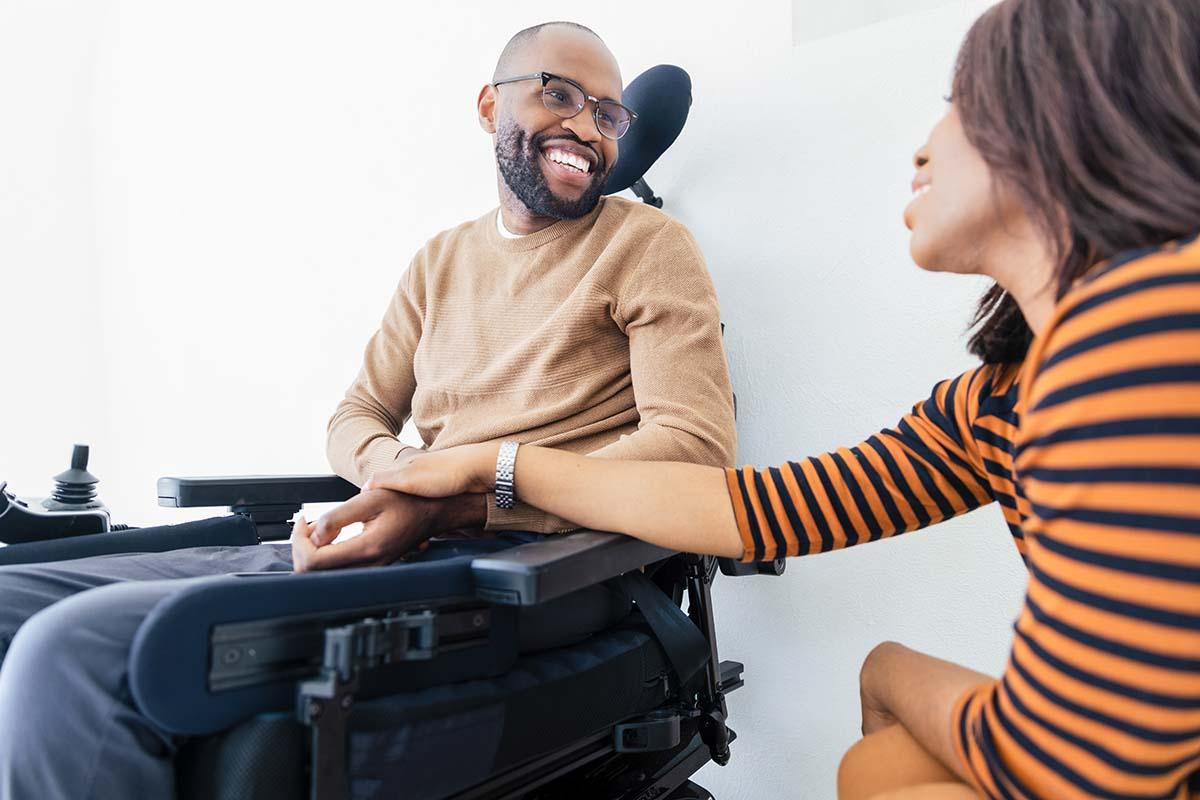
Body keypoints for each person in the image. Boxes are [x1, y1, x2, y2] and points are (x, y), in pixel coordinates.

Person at [310, 2, 1200, 797]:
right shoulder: (992, 405)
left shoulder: (1150, 323)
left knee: (889, 762)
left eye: (960, 103)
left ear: (1067, 115)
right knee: (879, 770)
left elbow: (1089, 763)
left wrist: (890, 675)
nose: (924, 145)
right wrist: (453, 478)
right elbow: (763, 510)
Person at [0, 21, 735, 799]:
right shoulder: (439, 262)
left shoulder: (649, 246)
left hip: (520, 572)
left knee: (66, 654)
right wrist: (404, 478)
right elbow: (356, 414)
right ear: (490, 106)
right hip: (399, 533)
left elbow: (693, 449)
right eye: (559, 95)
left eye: (609, 116)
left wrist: (465, 498)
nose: (587, 129)